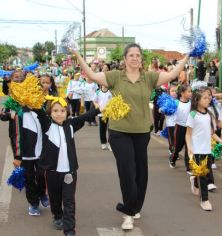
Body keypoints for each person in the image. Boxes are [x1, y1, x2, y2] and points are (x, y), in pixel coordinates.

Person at [72, 43, 189, 230]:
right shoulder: (115, 77)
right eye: (131, 55)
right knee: (127, 169)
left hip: (142, 133)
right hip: (119, 132)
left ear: (141, 59)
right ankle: (128, 212)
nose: (135, 58)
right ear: (125, 59)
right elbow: (93, 76)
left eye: (138, 55)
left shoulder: (148, 77)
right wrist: (77, 53)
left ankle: (135, 206)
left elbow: (173, 74)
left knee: (141, 172)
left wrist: (187, 55)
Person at [35, 97, 100, 236]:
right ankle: (57, 216)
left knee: (69, 200)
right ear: (50, 112)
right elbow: (38, 111)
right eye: (55, 111)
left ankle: (69, 229)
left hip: (69, 172)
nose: (59, 114)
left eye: (63, 111)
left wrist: (101, 109)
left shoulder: (71, 125)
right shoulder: (46, 125)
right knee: (55, 198)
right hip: (52, 171)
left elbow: (86, 116)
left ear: (68, 112)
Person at [185, 87, 222, 211]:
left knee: (203, 173)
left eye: (209, 97)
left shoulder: (209, 114)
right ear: (197, 99)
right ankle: (204, 200)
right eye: (205, 98)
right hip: (196, 150)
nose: (208, 99)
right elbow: (188, 134)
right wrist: (190, 149)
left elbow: (212, 133)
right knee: (204, 176)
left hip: (207, 149)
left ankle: (194, 180)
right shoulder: (193, 114)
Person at [169, 84, 192, 172]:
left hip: (189, 128)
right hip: (179, 127)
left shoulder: (191, 103)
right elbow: (169, 111)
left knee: (188, 147)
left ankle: (188, 167)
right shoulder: (176, 102)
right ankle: (173, 159)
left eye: (191, 91)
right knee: (178, 147)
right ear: (182, 93)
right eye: (189, 91)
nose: (190, 93)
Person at [93, 85, 112, 151]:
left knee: (111, 129)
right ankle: (103, 143)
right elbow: (94, 101)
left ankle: (110, 144)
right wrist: (97, 105)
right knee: (102, 129)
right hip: (101, 114)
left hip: (110, 113)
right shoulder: (98, 92)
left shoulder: (111, 92)